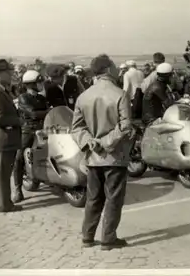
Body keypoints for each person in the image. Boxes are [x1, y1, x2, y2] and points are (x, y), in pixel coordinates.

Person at [71, 54, 135, 251]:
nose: (117, 69)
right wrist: (105, 142)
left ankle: (87, 237)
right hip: (114, 156)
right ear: (107, 69)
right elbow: (125, 127)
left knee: (93, 198)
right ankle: (108, 239)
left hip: (92, 157)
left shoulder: (84, 96)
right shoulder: (120, 94)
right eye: (114, 66)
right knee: (113, 198)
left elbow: (76, 128)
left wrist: (91, 142)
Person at [0, 59, 23, 212]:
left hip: (3, 139)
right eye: (8, 72)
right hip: (2, 139)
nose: (10, 75)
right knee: (2, 175)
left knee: (0, 173)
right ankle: (4, 205)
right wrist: (18, 121)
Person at [12, 70, 50, 202]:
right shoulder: (24, 98)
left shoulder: (42, 98)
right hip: (28, 130)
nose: (41, 84)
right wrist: (48, 111)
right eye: (38, 82)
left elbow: (48, 112)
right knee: (18, 157)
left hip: (43, 129)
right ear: (31, 84)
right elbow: (33, 114)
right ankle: (17, 189)